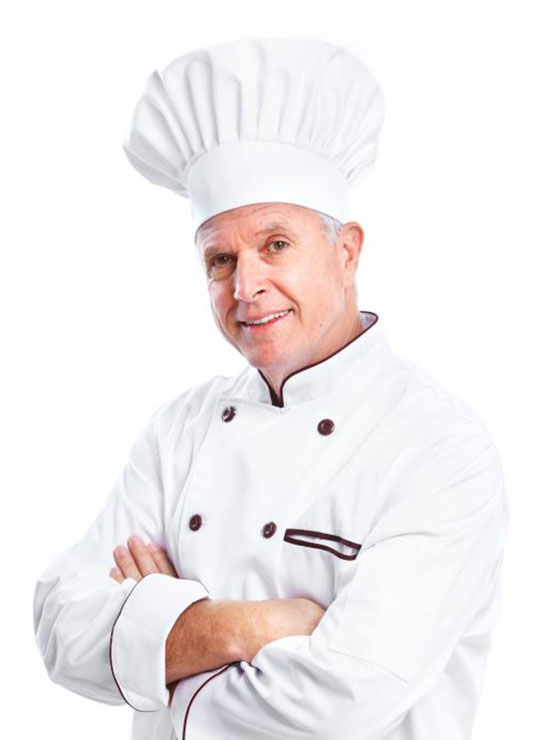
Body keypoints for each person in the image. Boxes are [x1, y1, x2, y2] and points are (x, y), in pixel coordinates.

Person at [33, 37, 509, 740]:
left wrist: (156, 641)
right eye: (220, 259)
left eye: (275, 245)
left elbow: (340, 699)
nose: (246, 285)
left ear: (346, 252)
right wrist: (247, 627)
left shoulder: (439, 448)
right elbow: (60, 624)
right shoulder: (178, 432)